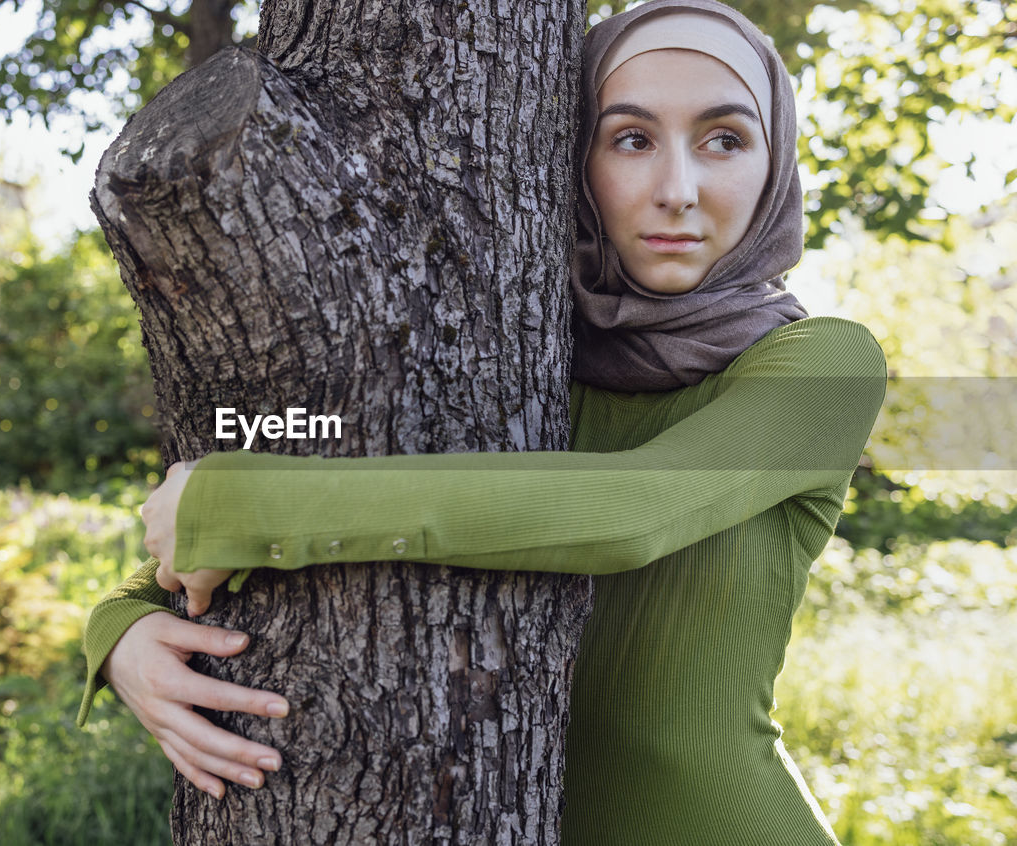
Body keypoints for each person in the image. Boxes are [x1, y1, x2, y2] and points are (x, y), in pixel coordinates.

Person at [78, 1, 887, 842]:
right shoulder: (514, 351)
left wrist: (239, 510)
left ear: (775, 161)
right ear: (574, 158)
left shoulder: (820, 365)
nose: (676, 190)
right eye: (631, 139)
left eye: (724, 139)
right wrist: (122, 629)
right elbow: (304, 468)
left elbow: (626, 513)